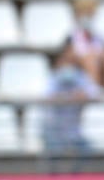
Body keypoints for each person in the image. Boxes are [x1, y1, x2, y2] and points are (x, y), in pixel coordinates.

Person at [41, 38, 100, 171]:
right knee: (53, 154)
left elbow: (95, 93)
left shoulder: (80, 76)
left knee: (88, 151)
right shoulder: (54, 77)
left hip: (75, 134)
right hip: (55, 133)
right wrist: (68, 97)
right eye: (69, 53)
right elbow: (47, 97)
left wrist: (83, 95)